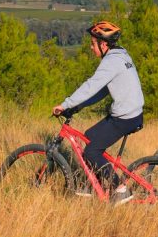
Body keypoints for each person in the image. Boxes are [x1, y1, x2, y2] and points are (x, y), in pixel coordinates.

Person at [53, 20, 145, 203]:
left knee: (91, 151)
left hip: (124, 117)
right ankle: (93, 182)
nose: (90, 47)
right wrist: (79, 106)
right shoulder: (122, 55)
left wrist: (66, 104)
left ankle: (119, 188)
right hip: (132, 114)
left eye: (93, 43)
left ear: (103, 44)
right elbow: (102, 90)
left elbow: (91, 86)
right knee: (89, 136)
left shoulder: (111, 62)